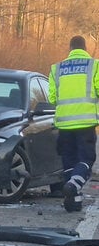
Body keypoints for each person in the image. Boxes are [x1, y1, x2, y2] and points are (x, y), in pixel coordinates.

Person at [47, 35, 99, 212]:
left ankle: (73, 201)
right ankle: (74, 185)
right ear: (84, 48)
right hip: (85, 122)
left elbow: (52, 97)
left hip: (64, 124)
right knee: (86, 159)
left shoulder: (57, 69)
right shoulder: (94, 66)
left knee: (69, 160)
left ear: (70, 49)